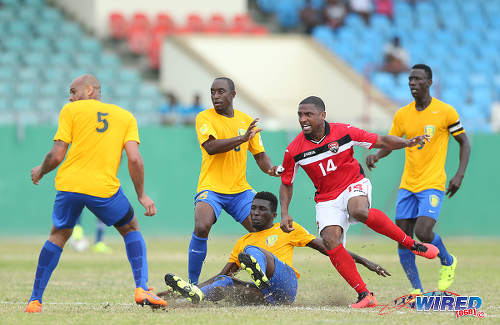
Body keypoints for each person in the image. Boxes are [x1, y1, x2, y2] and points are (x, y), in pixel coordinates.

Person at [278, 95, 440, 308]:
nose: (303, 119)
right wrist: (285, 212)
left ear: (322, 115)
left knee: (359, 210)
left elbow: (381, 140)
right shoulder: (294, 149)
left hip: (353, 183)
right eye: (300, 114)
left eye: (308, 114)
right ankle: (365, 294)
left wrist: (408, 143)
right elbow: (287, 182)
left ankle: (412, 244)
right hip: (326, 197)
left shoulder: (344, 131)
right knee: (330, 241)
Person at [25, 74, 167, 313]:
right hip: (103, 189)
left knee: (58, 236)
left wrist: (41, 170)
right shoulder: (126, 117)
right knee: (131, 228)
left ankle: (35, 301)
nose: (70, 98)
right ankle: (141, 287)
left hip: (69, 186)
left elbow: (57, 155)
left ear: (89, 90)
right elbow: (134, 159)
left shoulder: (71, 111)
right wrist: (141, 195)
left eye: (73, 91)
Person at [163, 191, 390, 305]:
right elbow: (222, 274)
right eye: (253, 209)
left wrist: (366, 262)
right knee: (224, 282)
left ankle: (259, 271)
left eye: (261, 209)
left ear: (273, 214)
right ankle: (193, 297)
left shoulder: (286, 229)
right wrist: (175, 294)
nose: (255, 213)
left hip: (286, 286)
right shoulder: (243, 240)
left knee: (254, 253)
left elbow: (330, 249)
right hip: (265, 296)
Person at [366, 64, 471, 294]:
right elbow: (391, 142)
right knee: (404, 239)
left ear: (429, 82)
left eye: (417, 79)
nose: (412, 83)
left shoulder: (446, 112)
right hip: (408, 185)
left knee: (423, 232)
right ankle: (417, 291)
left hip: (432, 183)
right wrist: (376, 154)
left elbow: (465, 142)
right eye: (410, 79)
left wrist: (459, 175)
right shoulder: (403, 114)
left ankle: (447, 261)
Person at [188, 77, 280, 285]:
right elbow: (211, 147)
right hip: (211, 188)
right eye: (212, 92)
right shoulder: (204, 117)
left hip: (240, 191)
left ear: (233, 95)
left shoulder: (246, 121)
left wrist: (272, 169)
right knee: (202, 226)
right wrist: (242, 138)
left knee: (262, 232)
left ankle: (272, 281)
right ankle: (192, 284)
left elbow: (260, 156)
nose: (215, 96)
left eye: (220, 92)